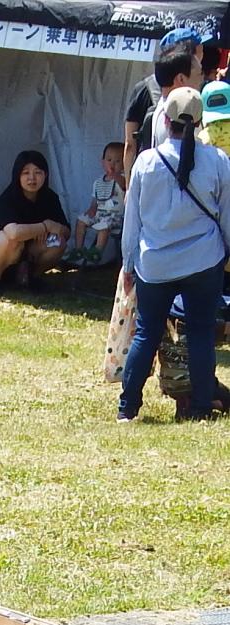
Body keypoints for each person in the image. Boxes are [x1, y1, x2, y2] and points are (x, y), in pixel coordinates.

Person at [117, 86, 230, 421]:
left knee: (147, 333)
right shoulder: (217, 161)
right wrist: (225, 250)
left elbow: (132, 221)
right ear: (199, 121)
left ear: (164, 120)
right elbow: (226, 214)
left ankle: (128, 408)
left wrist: (127, 265)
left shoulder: (145, 162)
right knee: (200, 332)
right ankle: (199, 407)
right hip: (203, 261)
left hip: (154, 263)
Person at [0, 149, 69, 294]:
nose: (32, 178)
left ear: (45, 175)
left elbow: (65, 231)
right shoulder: (7, 199)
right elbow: (14, 232)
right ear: (17, 176)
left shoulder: (50, 198)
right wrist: (44, 226)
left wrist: (54, 229)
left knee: (58, 242)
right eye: (26, 173)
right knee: (9, 239)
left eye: (37, 172)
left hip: (27, 255)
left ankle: (30, 277)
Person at [123, 32, 203, 190]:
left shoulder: (162, 108)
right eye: (199, 74)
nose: (202, 79)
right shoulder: (175, 115)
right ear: (181, 79)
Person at [69, 142, 126, 265]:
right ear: (103, 162)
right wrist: (92, 208)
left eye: (117, 161)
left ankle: (97, 251)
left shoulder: (123, 179)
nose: (112, 164)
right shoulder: (98, 182)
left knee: (104, 225)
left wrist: (116, 175)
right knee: (81, 220)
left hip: (115, 217)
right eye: (109, 160)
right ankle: (79, 248)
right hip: (100, 214)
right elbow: (95, 200)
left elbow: (124, 185)